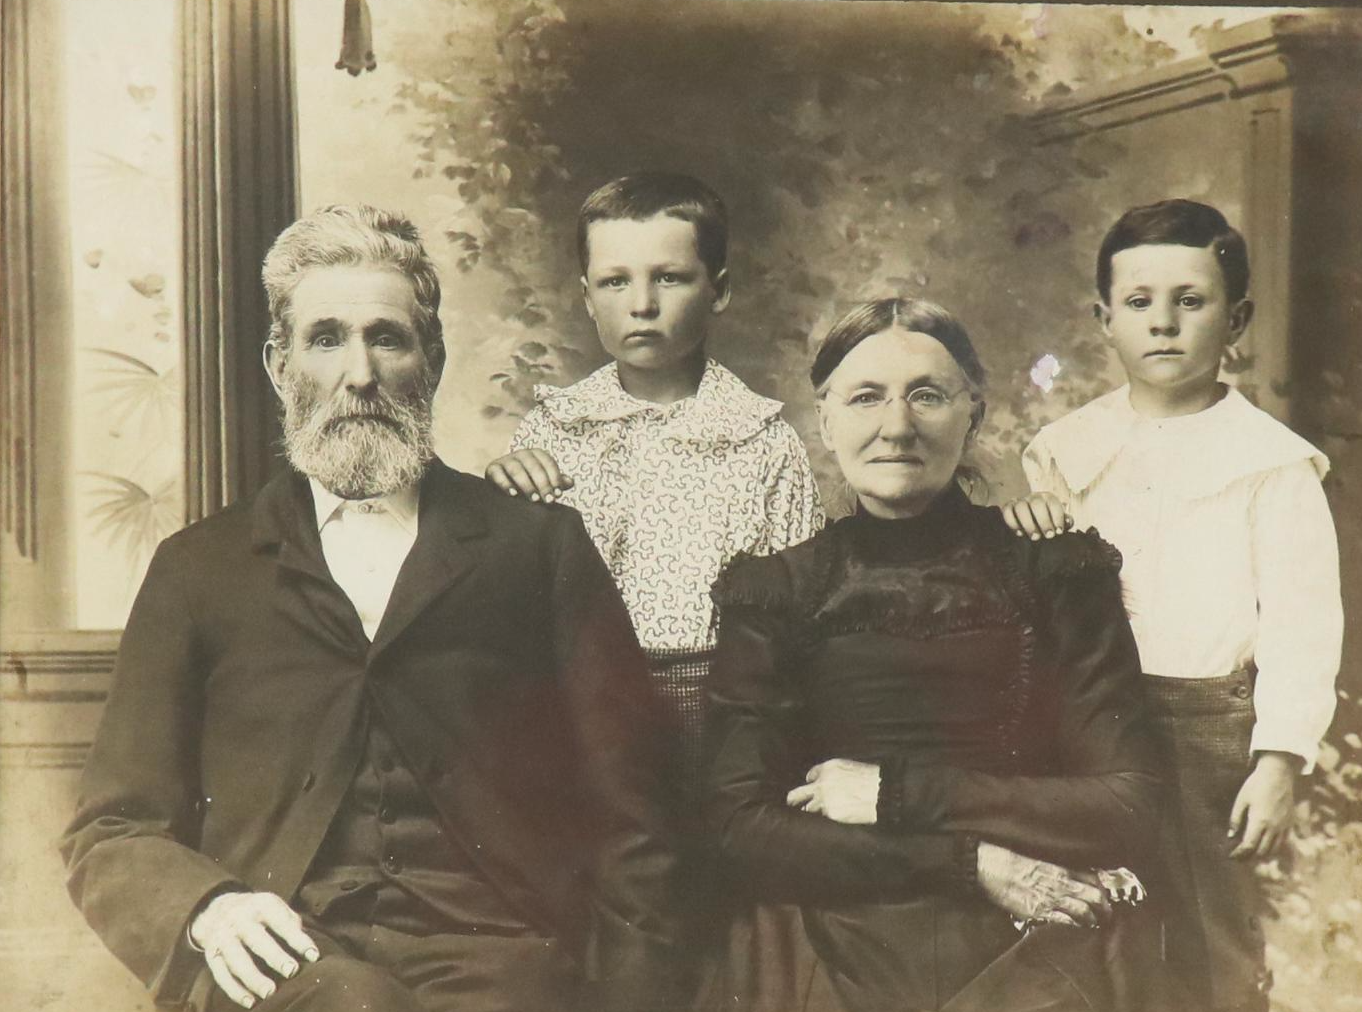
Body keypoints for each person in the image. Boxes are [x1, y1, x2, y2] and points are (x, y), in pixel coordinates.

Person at [61, 204, 681, 1012]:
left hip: (499, 958)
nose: (359, 373)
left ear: (432, 358)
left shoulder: (536, 549)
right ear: (278, 365)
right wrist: (208, 910)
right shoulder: (198, 569)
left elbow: (636, 814)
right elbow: (110, 832)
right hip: (280, 954)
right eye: (326, 339)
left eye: (387, 337)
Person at [702, 297, 1165, 1012]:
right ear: (824, 420)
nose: (897, 427)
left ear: (973, 415)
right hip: (831, 936)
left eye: (927, 395)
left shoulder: (1054, 573)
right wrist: (970, 862)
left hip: (1035, 934)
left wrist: (895, 792)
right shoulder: (777, 592)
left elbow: (1128, 802)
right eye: (865, 398)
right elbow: (737, 828)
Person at [1017, 199, 1343, 1012]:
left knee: (1209, 930)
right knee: (1098, 920)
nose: (1162, 323)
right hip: (1086, 717)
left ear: (1236, 318)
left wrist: (1278, 760)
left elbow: (1304, 621)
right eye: (1139, 303)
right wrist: (1028, 527)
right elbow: (1042, 594)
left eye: (1189, 302)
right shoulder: (1067, 450)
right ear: (1104, 319)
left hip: (1208, 728)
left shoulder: (1270, 464)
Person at [485, 172, 823, 800]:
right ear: (587, 297)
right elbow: (511, 601)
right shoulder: (553, 431)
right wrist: (500, 498)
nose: (641, 304)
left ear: (717, 291)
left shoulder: (763, 440)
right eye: (616, 282)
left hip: (727, 719)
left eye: (668, 278)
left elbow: (802, 617)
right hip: (585, 718)